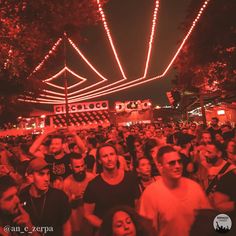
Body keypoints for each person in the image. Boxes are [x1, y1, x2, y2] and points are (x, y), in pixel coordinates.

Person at [139, 145, 211, 236]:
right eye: (172, 163)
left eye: (179, 162)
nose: (177, 166)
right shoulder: (151, 194)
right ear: (160, 166)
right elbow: (147, 231)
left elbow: (207, 220)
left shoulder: (195, 187)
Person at [83, 144, 140, 231]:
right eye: (105, 156)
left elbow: (138, 207)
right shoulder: (93, 185)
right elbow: (88, 214)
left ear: (117, 157)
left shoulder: (131, 179)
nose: (109, 159)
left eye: (112, 154)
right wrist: (108, 227)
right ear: (99, 161)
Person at [19, 158, 71, 236]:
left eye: (48, 174)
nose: (47, 179)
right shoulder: (23, 195)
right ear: (30, 176)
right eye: (41, 174)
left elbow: (66, 227)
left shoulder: (59, 196)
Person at [63, 153, 95, 235]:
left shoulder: (92, 179)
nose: (81, 169)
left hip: (91, 222)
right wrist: (72, 200)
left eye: (82, 166)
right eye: (77, 167)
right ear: (71, 167)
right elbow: (64, 207)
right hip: (75, 224)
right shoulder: (67, 183)